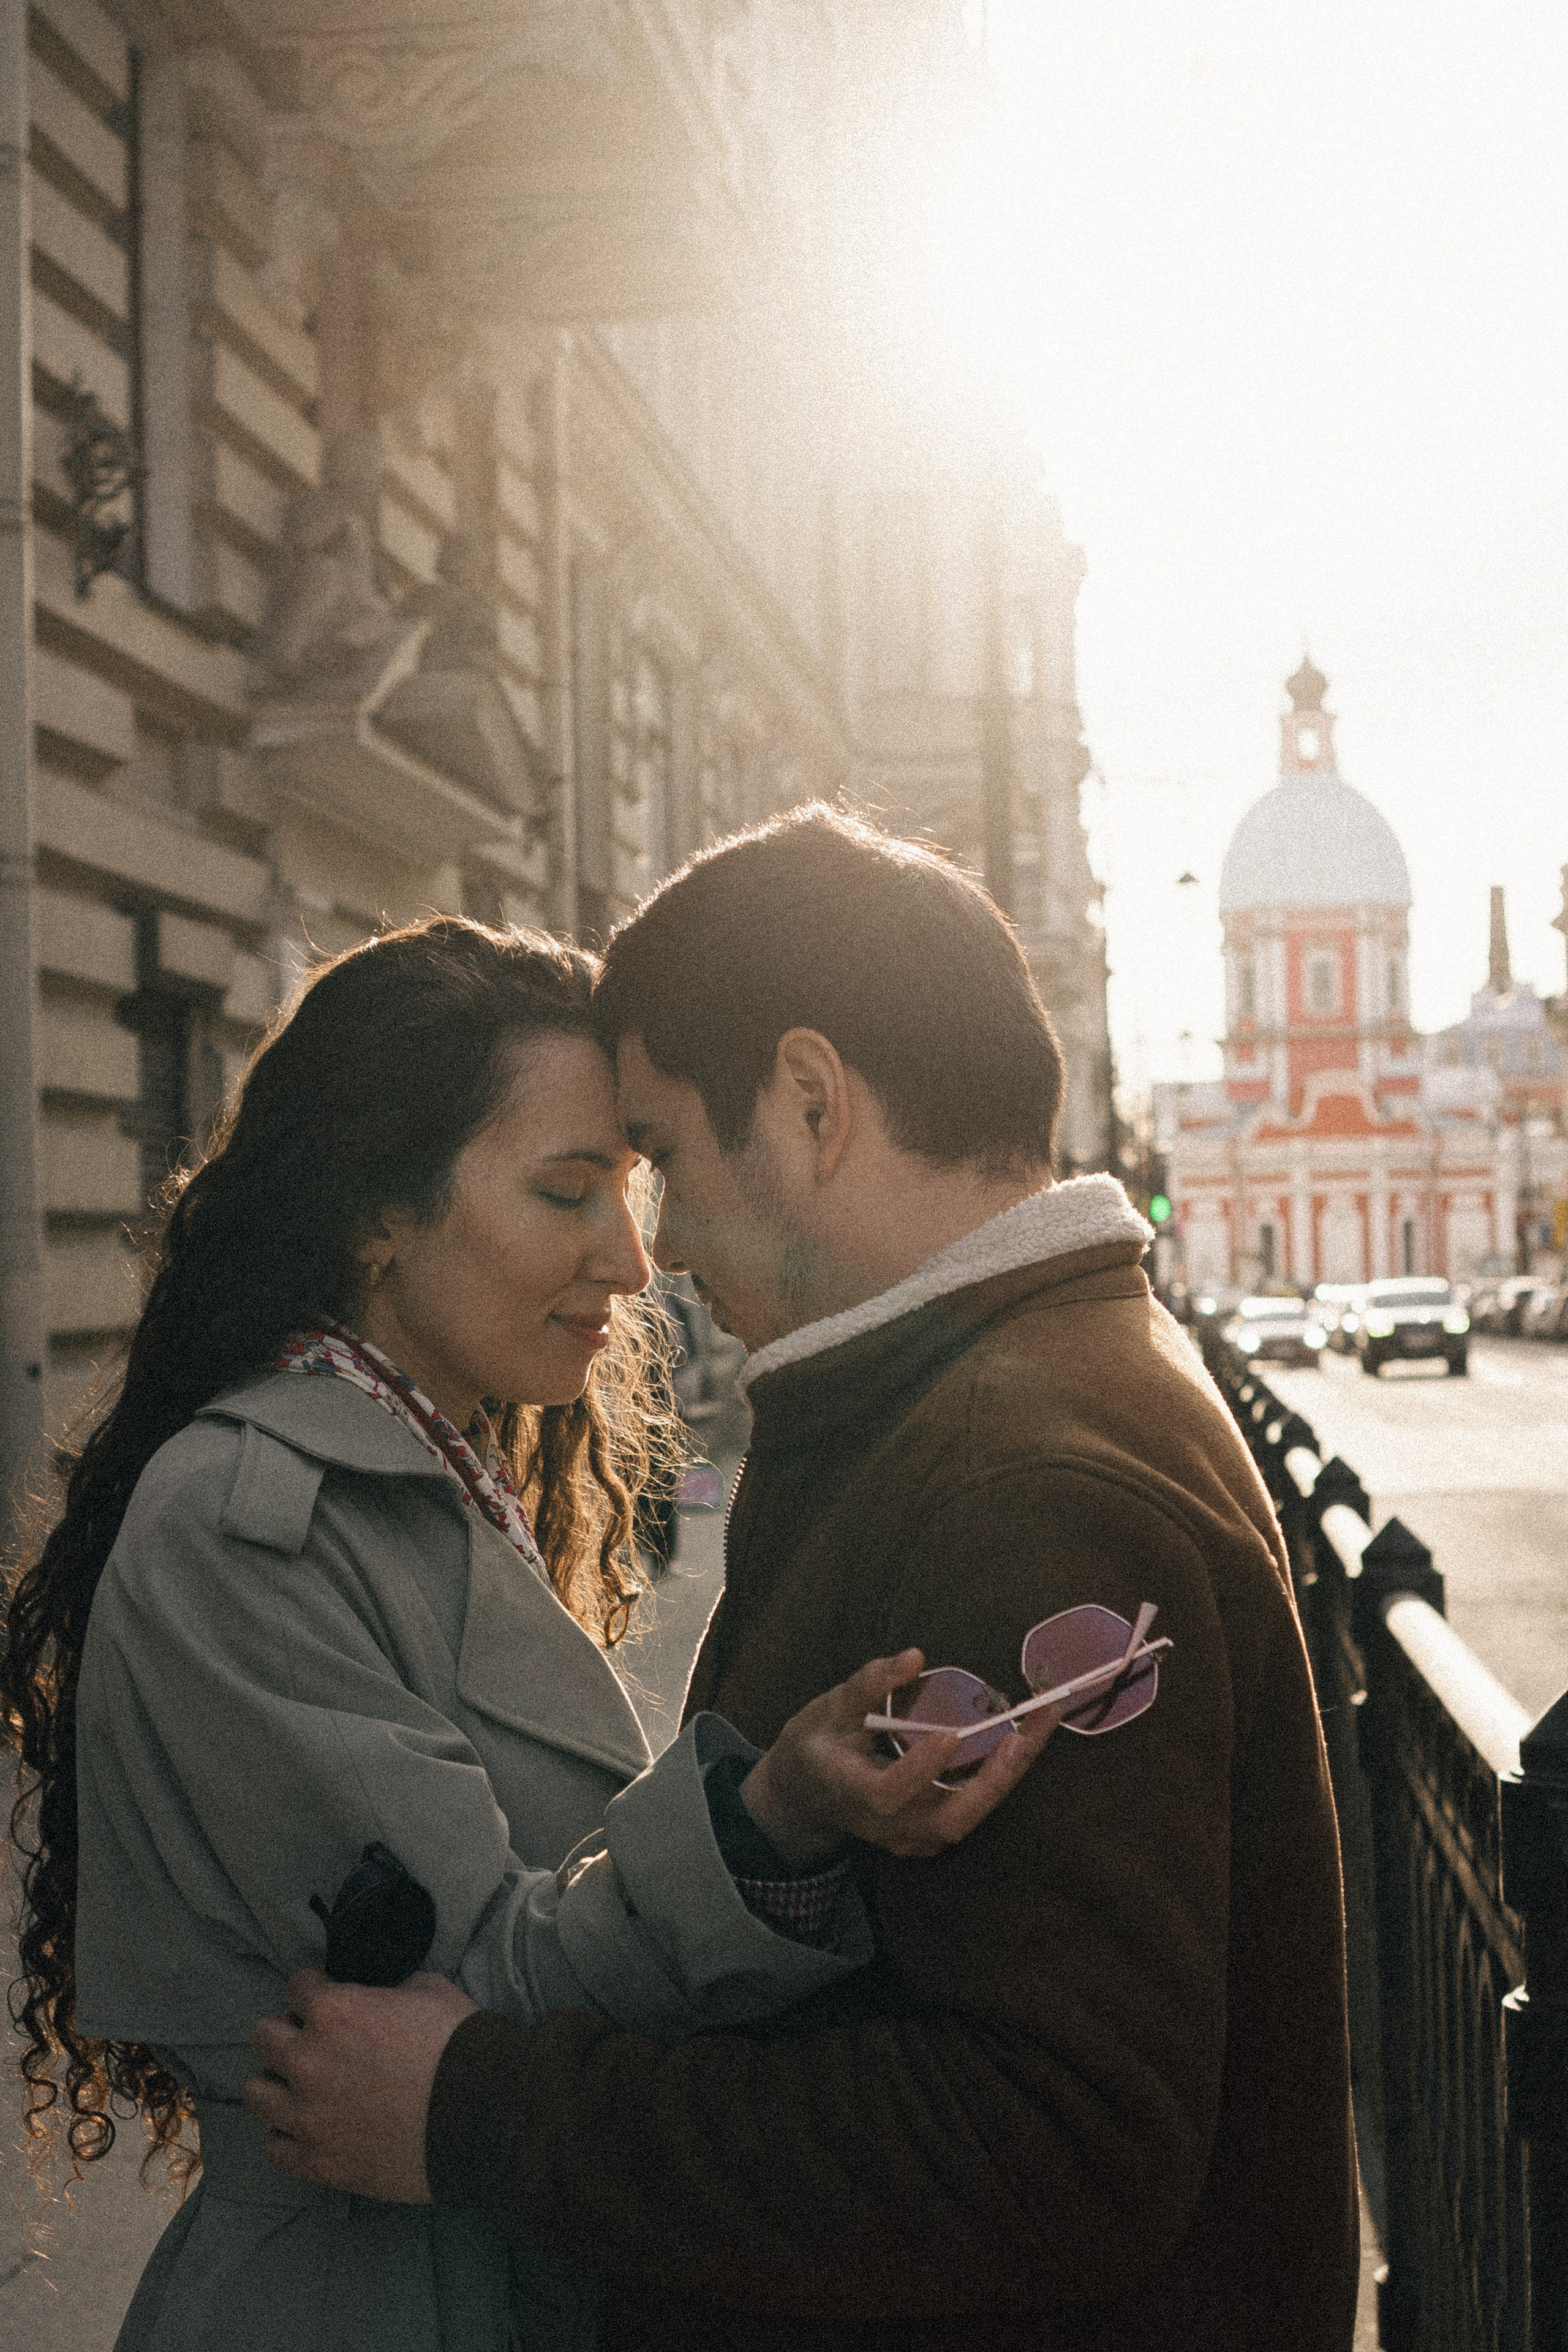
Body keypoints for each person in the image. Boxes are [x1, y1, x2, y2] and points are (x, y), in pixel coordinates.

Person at [245, 809, 1360, 2352]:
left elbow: (1055, 2143)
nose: (655, 1250)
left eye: (662, 1158)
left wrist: (479, 2110)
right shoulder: (999, 1392)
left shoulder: (1017, 1474)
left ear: (811, 1102)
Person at [0, 916, 1052, 2352]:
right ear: (376, 1213)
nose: (631, 1257)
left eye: (630, 1184)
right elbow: (462, 2008)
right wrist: (767, 1819)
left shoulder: (431, 1472)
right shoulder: (245, 1529)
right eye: (567, 1192)